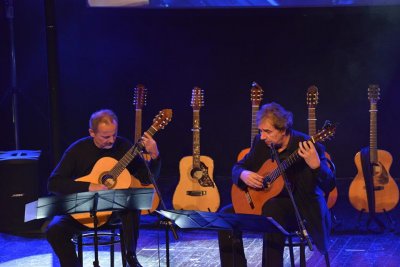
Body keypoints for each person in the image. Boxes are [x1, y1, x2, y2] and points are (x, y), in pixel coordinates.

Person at [218, 102, 336, 266]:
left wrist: (316, 166)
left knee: (273, 210)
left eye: (267, 131)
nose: (262, 136)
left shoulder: (307, 145)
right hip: (262, 203)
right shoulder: (260, 144)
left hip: (300, 209)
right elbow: (238, 167)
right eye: (260, 131)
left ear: (283, 130)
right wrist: (243, 174)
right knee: (225, 216)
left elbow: (329, 184)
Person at [46, 109, 161, 267]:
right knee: (54, 229)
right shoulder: (77, 150)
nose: (111, 140)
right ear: (92, 132)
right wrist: (89, 186)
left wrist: (155, 156)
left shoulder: (124, 147)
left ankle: (130, 257)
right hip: (84, 212)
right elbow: (54, 183)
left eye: (114, 134)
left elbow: (147, 178)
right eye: (105, 136)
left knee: (132, 203)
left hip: (114, 213)